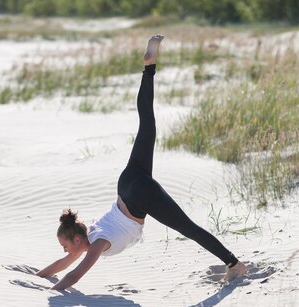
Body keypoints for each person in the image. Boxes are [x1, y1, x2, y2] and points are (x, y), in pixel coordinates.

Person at [36, 35, 247, 291]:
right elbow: (62, 264)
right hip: (126, 183)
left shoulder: (98, 243)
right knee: (146, 124)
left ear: (78, 240)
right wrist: (38, 275)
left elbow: (74, 276)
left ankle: (235, 264)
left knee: (188, 228)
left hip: (138, 197)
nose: (65, 250)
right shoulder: (86, 236)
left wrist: (48, 293)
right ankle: (149, 68)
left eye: (66, 246)